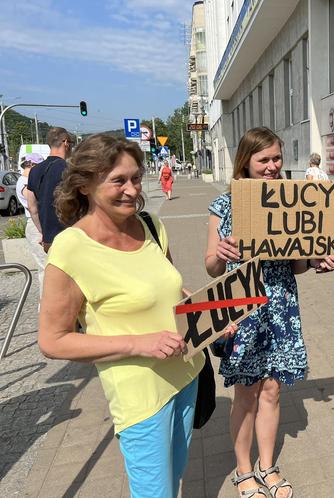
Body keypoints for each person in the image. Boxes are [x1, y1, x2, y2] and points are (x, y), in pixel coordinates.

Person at [37, 134, 208, 498]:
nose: (132, 190)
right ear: (84, 185)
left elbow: (171, 292)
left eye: (135, 178)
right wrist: (139, 343)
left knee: (174, 479)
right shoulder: (71, 248)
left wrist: (209, 315)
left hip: (186, 376)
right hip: (140, 398)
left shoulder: (150, 226)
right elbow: (53, 340)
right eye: (118, 181)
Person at [205, 127, 334, 498]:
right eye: (263, 159)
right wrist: (222, 253)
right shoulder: (225, 205)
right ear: (246, 161)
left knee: (272, 389)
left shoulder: (291, 200)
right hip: (242, 309)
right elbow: (211, 268)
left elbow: (296, 265)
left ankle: (267, 466)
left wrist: (316, 260)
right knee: (246, 393)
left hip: (280, 306)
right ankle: (243, 470)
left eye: (276, 159)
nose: (271, 166)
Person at [26, 127, 73, 253]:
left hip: (49, 241)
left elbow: (32, 207)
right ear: (66, 143)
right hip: (71, 238)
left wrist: (44, 233)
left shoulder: (34, 171)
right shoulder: (70, 169)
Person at [16, 153, 47, 295]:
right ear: (31, 165)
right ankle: (46, 306)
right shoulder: (24, 182)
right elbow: (33, 205)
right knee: (45, 268)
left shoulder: (27, 180)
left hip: (37, 223)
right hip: (36, 224)